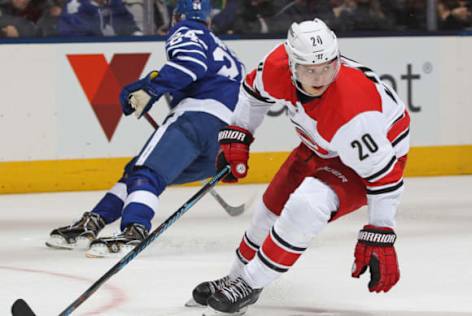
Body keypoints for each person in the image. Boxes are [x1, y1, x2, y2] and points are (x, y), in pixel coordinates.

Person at [190, 18, 410, 314]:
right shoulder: (276, 66)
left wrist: (381, 233)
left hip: (368, 164)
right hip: (320, 145)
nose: (320, 77)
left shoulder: (353, 113)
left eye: (327, 67)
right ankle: (235, 278)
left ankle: (250, 285)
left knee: (306, 206)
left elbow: (385, 177)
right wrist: (239, 135)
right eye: (309, 69)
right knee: (269, 210)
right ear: (292, 65)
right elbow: (254, 95)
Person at [46, 0, 245, 257]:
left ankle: (134, 229)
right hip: (224, 143)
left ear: (176, 17)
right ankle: (93, 221)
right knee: (137, 173)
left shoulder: (186, 30)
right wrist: (149, 84)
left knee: (146, 174)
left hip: (197, 120)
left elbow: (190, 65)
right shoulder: (225, 50)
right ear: (209, 20)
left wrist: (151, 89)